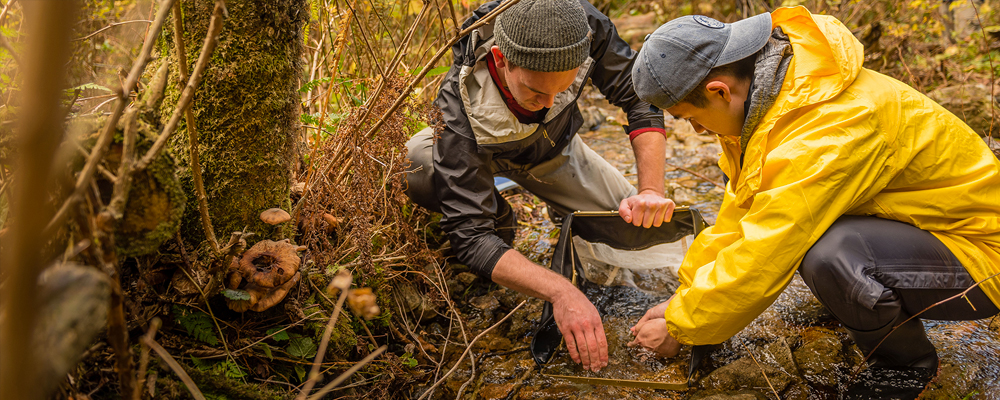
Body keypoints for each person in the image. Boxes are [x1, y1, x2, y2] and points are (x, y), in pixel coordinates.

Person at [625, 7, 1000, 397]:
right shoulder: (772, 105)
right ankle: (866, 310)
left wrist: (682, 327)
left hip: (983, 259)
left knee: (831, 255)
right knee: (821, 243)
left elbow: (766, 249)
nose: (699, 130)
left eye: (689, 118)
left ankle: (904, 369)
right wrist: (684, 296)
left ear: (720, 90)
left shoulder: (828, 128)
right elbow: (741, 217)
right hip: (924, 235)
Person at [404, 0, 675, 372]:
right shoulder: (459, 101)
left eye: (560, 90)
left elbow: (640, 99)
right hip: (482, 159)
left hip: (557, 151)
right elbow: (469, 236)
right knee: (415, 162)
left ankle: (564, 208)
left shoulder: (582, 26)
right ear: (501, 60)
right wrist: (560, 291)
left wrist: (651, 192)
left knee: (642, 237)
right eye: (534, 91)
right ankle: (501, 216)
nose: (548, 105)